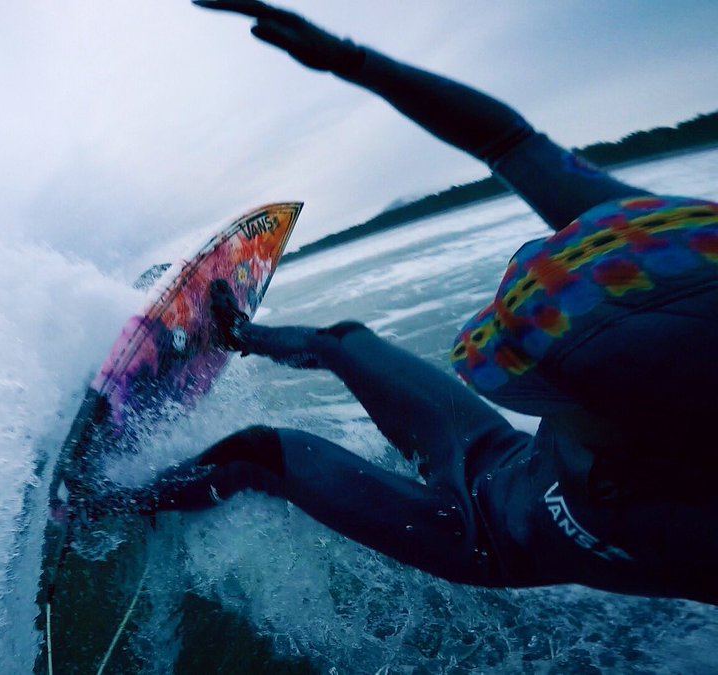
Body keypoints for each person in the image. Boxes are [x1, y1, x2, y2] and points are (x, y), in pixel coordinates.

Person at [95, 0, 718, 605]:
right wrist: (351, 59)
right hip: (495, 455)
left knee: (261, 452)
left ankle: (107, 503)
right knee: (342, 341)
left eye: (538, 386)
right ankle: (238, 335)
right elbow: (507, 140)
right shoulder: (665, 246)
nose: (529, 394)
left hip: (484, 537)